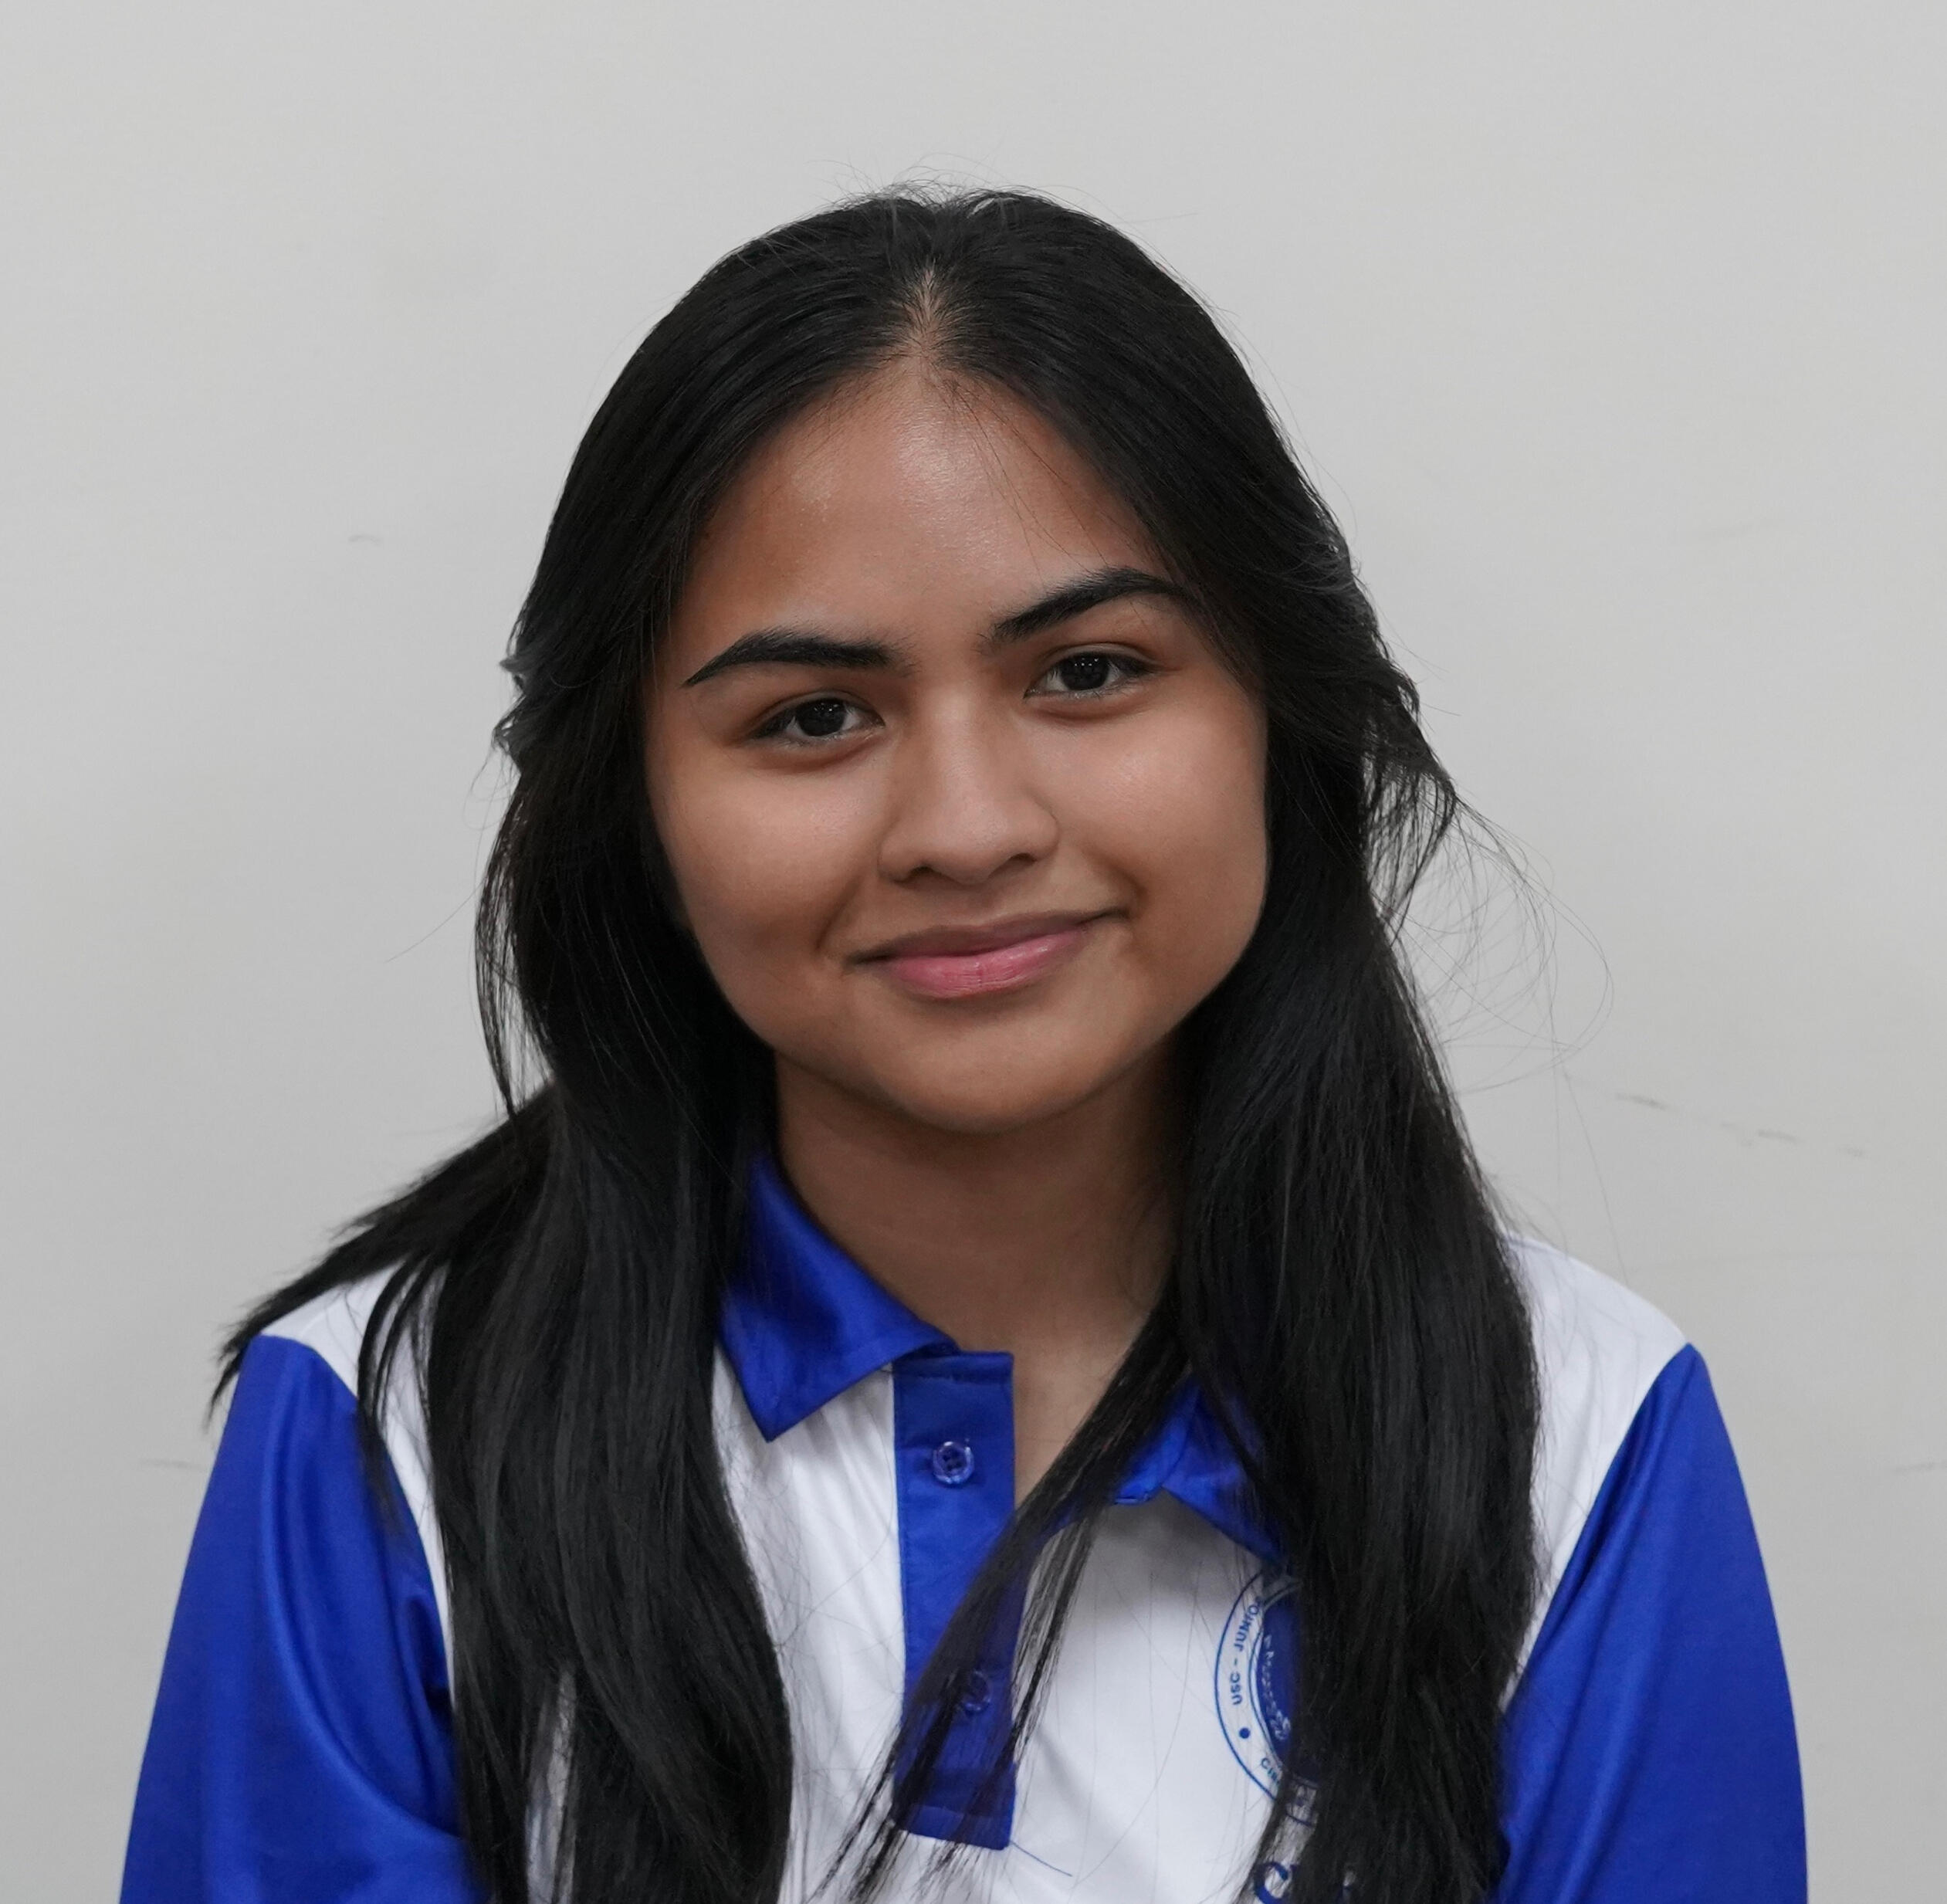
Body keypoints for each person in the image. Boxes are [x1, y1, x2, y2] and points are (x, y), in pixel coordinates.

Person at [120, 189, 1804, 1904]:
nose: (966, 825)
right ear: (633, 807)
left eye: (1087, 672)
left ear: (1278, 716)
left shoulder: (1576, 1433)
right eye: (813, 715)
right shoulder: (387, 1434)